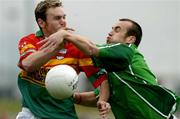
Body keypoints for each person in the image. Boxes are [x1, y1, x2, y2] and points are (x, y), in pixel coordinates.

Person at [39, 18, 180, 119]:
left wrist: (66, 35)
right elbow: (97, 97)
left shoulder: (127, 50)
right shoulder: (114, 71)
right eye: (111, 29)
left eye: (117, 30)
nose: (111, 32)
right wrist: (68, 95)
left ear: (130, 39)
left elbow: (90, 48)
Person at [16, 0, 110, 119]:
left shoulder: (77, 48)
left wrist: (102, 100)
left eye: (64, 17)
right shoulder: (30, 41)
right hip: (31, 113)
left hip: (63, 115)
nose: (63, 22)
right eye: (57, 18)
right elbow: (28, 64)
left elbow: (102, 79)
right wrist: (58, 47)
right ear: (41, 22)